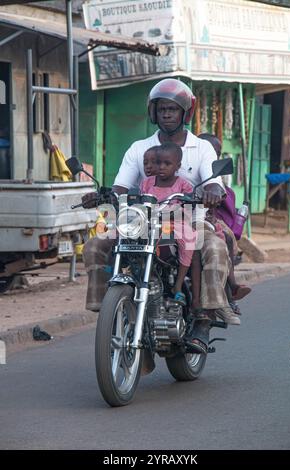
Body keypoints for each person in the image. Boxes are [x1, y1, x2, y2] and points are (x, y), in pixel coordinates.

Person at [83, 78, 240, 355]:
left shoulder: (200, 148)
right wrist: (102, 195)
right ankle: (105, 304)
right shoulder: (139, 148)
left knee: (213, 246)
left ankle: (205, 317)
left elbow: (213, 181)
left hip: (189, 218)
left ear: (185, 113)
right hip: (144, 221)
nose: (167, 113)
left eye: (173, 109)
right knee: (96, 244)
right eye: (162, 108)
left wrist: (214, 190)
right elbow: (121, 186)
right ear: (153, 112)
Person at [198, 133, 251, 309]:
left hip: (211, 220)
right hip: (181, 217)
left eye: (216, 152)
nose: (212, 154)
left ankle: (231, 288)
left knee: (226, 237)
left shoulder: (216, 176)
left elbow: (218, 197)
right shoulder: (184, 167)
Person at [140, 141, 195, 305]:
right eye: (158, 163)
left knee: (189, 239)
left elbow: (190, 204)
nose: (161, 167)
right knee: (123, 230)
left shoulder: (183, 184)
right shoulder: (147, 183)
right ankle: (119, 264)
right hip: (151, 222)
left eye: (167, 163)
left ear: (177, 166)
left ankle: (178, 284)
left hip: (174, 223)